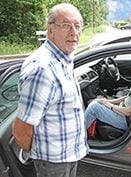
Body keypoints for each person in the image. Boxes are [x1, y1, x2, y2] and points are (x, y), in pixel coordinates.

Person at [12, 3, 88, 177]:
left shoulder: (64, 58)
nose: (74, 32)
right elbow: (21, 130)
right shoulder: (43, 70)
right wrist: (41, 153)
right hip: (53, 162)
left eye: (77, 26)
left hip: (67, 155)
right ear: (50, 29)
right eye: (66, 25)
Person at [85, 54, 131, 131]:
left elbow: (129, 112)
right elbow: (127, 97)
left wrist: (109, 105)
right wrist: (107, 101)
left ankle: (78, 134)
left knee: (94, 107)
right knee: (96, 100)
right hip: (122, 112)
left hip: (125, 120)